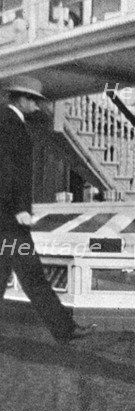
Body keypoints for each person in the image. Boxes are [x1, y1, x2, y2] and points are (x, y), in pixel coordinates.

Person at [0, 76, 95, 344]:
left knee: (22, 275)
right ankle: (66, 330)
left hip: (5, 220)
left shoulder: (10, 122)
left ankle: (65, 329)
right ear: (20, 98)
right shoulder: (10, 124)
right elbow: (7, 169)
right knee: (33, 277)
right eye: (32, 100)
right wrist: (19, 207)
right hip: (10, 222)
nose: (36, 105)